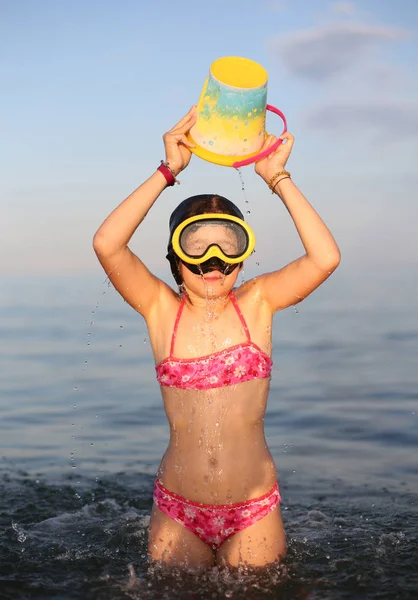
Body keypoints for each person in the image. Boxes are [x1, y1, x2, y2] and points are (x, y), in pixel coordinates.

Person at [93, 106, 340, 569]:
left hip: (252, 509)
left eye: (228, 244)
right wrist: (167, 171)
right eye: (196, 245)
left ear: (244, 254)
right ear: (174, 257)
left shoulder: (259, 302)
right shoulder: (159, 308)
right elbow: (107, 243)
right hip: (178, 510)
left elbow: (325, 258)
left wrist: (278, 177)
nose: (212, 259)